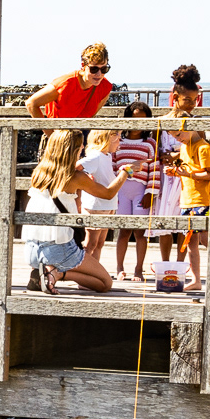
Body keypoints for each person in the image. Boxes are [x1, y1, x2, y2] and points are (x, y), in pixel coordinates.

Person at [22, 129, 125, 295]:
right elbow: (108, 193)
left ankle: (44, 272)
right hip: (59, 249)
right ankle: (55, 273)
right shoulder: (74, 176)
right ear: (73, 151)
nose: (83, 150)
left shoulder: (38, 173)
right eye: (80, 148)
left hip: (32, 250)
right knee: (105, 283)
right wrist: (125, 173)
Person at [164, 124, 210, 294]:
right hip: (187, 199)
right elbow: (188, 170)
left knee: (207, 240)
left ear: (189, 128)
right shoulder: (184, 147)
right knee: (190, 242)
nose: (177, 139)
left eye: (179, 134)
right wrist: (176, 172)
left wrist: (188, 174)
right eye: (174, 136)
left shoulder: (203, 148)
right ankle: (196, 279)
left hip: (202, 199)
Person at [153, 65, 202, 264]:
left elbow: (199, 149)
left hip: (185, 176)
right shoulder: (161, 122)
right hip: (166, 177)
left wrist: (176, 155)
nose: (192, 104)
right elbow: (154, 147)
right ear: (175, 97)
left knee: (184, 222)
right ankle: (165, 263)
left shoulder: (197, 122)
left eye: (195, 100)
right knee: (164, 221)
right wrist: (163, 156)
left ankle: (181, 263)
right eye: (187, 100)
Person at [111, 102, 159, 280]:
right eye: (134, 118)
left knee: (140, 232)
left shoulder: (149, 144)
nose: (138, 123)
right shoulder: (119, 142)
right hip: (121, 190)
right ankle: (119, 268)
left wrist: (151, 192)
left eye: (143, 120)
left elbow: (154, 169)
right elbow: (113, 167)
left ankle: (138, 269)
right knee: (123, 231)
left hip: (141, 192)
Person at [25, 43, 115, 119]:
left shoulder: (105, 87)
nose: (99, 74)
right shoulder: (65, 83)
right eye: (94, 69)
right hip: (58, 133)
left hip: (82, 134)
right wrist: (50, 134)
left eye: (104, 69)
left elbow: (90, 117)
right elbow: (31, 103)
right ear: (83, 65)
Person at [77, 128, 121, 263]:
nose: (120, 141)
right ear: (109, 138)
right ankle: (84, 272)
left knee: (100, 243)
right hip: (95, 205)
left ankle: (94, 272)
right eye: (118, 137)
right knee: (90, 243)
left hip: (107, 205)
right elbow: (77, 167)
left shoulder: (106, 156)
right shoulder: (95, 156)